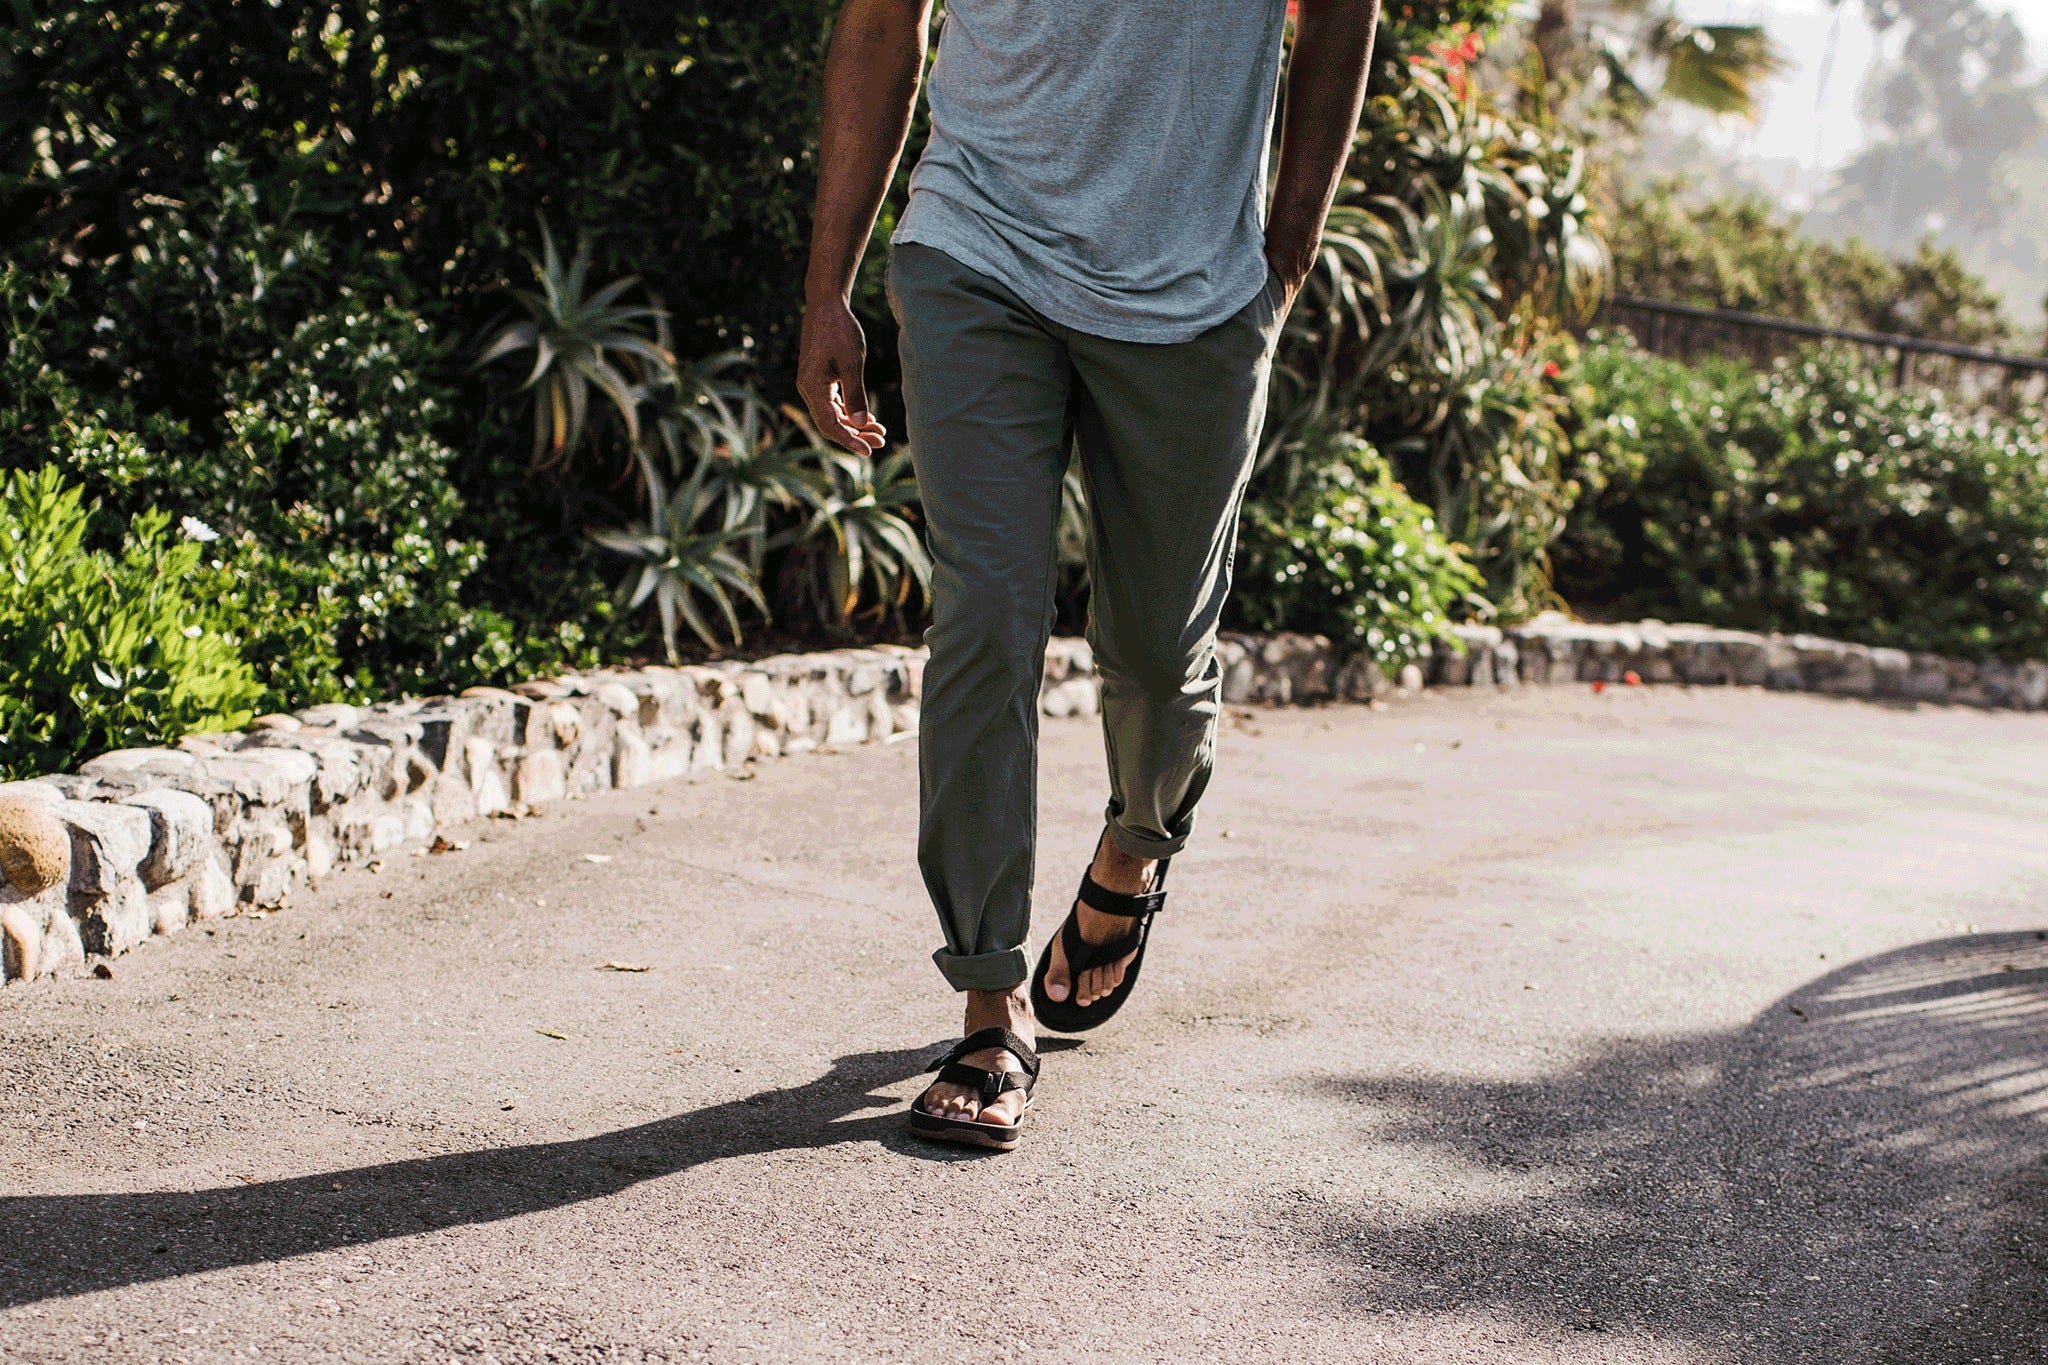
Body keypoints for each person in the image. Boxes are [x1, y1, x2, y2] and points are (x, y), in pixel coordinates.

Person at [798, 0, 1382, 1150]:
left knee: (1160, 662)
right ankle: (986, 999)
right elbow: (880, 21)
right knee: (987, 613)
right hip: (975, 245)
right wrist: (829, 285)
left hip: (1195, 290)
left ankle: (1132, 852)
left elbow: (1342, 15)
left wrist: (1288, 253)